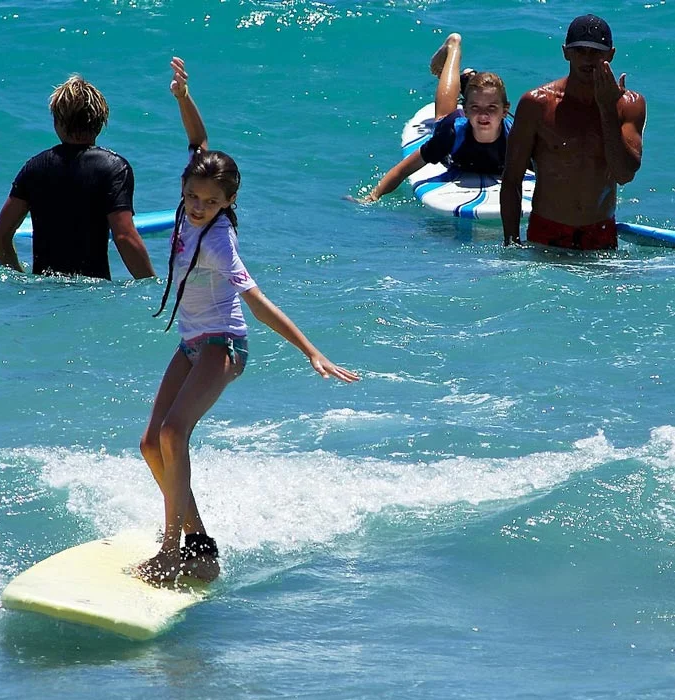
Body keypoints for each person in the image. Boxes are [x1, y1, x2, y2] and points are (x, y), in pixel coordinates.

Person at [136, 57, 360, 585]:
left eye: (209, 202)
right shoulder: (192, 194)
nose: (196, 207)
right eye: (191, 197)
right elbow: (199, 140)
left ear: (228, 203)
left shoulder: (218, 239)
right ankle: (201, 543)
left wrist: (310, 349)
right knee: (151, 445)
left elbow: (256, 302)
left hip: (224, 345)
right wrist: (181, 96)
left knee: (174, 431)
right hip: (192, 341)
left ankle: (172, 552)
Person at [501, 14, 646, 250]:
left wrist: (607, 109)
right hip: (546, 231)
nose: (587, 59)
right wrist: (511, 243)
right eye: (580, 51)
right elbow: (512, 179)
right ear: (566, 52)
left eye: (596, 51)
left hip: (599, 234)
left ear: (610, 54)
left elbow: (624, 174)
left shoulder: (628, 105)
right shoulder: (536, 104)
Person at [0, 75, 155, 280]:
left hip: (45, 293)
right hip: (92, 293)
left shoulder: (34, 167)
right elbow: (124, 237)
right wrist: (153, 288)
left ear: (57, 122)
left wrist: (22, 281)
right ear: (100, 121)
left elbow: (0, 238)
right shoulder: (114, 167)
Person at [359, 33, 511, 202]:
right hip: (451, 125)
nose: (484, 115)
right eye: (475, 108)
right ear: (466, 111)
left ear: (505, 111)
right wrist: (373, 196)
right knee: (443, 117)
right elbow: (402, 170)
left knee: (478, 97)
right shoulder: (451, 133)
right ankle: (453, 46)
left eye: (492, 108)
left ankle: (468, 80)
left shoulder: (518, 139)